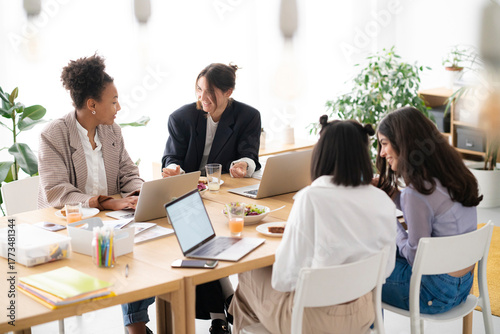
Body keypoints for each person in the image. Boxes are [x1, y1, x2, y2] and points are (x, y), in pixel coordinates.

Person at [228, 116, 398, 333]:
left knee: (248, 274)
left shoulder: (311, 198)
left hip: (314, 321)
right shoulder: (382, 199)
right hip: (363, 313)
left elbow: (283, 280)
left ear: (321, 153)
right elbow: (387, 268)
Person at [37, 54, 154, 334]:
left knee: (146, 250)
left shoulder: (111, 130)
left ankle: (135, 323)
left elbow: (128, 171)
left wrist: (138, 193)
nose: (119, 107)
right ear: (92, 105)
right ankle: (136, 326)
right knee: (126, 251)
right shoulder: (53, 135)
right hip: (67, 227)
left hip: (110, 222)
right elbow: (56, 191)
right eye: (113, 101)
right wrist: (109, 202)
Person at [376, 106, 483, 314]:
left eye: (384, 144)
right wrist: (392, 193)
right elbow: (428, 206)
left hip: (432, 293)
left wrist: (392, 224)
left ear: (402, 143)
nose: (382, 153)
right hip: (462, 285)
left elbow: (415, 258)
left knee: (366, 272)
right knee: (381, 257)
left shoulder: (415, 194)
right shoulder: (454, 175)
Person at [161, 62, 261, 178]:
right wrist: (173, 170)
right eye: (199, 89)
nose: (202, 97)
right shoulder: (181, 118)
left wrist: (243, 164)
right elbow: (172, 157)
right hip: (190, 186)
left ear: (228, 92)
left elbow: (249, 154)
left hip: (225, 184)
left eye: (210, 91)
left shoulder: (248, 116)